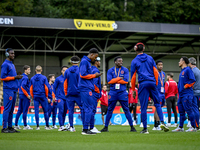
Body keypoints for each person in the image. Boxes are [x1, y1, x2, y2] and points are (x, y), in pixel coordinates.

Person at [131, 42, 169, 134]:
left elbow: (133, 77)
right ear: (143, 49)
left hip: (143, 84)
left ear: (135, 49)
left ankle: (145, 129)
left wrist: (133, 89)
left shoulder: (134, 61)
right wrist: (155, 84)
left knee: (143, 107)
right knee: (157, 104)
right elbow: (156, 72)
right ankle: (163, 122)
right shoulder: (150, 58)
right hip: (152, 82)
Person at [101, 56, 136, 132]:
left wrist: (115, 80)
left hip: (122, 93)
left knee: (126, 110)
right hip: (113, 93)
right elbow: (109, 81)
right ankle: (106, 127)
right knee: (110, 110)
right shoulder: (110, 70)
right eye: (119, 61)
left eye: (122, 61)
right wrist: (120, 78)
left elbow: (126, 81)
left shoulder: (125, 70)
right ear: (115, 62)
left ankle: (132, 127)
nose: (121, 62)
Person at [79, 48, 102, 135]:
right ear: (91, 54)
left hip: (86, 87)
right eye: (95, 57)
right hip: (85, 88)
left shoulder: (86, 62)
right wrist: (94, 75)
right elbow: (82, 74)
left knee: (87, 108)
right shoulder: (85, 62)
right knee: (89, 108)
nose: (95, 59)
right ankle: (85, 130)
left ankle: (86, 129)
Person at [1, 48, 23, 133]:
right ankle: (4, 128)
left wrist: (17, 76)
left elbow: (11, 77)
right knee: (7, 109)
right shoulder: (5, 64)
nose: (13, 55)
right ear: (7, 54)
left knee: (11, 109)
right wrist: (14, 77)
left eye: (13, 53)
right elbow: (2, 77)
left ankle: (10, 127)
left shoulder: (12, 64)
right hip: (8, 90)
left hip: (13, 89)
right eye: (11, 53)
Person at [172, 56, 196, 132]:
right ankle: (181, 127)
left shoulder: (188, 70)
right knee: (181, 112)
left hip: (187, 94)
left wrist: (185, 86)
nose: (179, 62)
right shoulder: (183, 70)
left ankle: (193, 127)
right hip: (181, 95)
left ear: (183, 62)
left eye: (180, 61)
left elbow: (193, 80)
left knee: (189, 110)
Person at [64, 56, 84, 132]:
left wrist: (66, 93)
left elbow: (65, 83)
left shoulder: (67, 71)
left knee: (70, 111)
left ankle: (71, 127)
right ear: (78, 62)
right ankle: (84, 126)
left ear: (71, 62)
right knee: (82, 109)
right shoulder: (80, 70)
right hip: (79, 93)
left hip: (70, 93)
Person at [30, 65, 51, 130]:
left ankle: (37, 126)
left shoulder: (32, 78)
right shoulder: (44, 78)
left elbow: (30, 89)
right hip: (43, 95)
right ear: (41, 70)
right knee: (45, 111)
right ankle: (47, 126)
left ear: (35, 70)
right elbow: (47, 87)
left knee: (36, 111)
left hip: (35, 95)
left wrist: (33, 96)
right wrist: (48, 96)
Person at [14, 65, 33, 130]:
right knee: (25, 111)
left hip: (21, 95)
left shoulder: (21, 76)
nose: (30, 70)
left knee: (19, 110)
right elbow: (22, 86)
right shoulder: (25, 78)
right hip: (25, 96)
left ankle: (16, 125)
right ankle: (25, 125)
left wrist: (20, 93)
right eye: (28, 69)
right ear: (25, 70)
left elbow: (19, 86)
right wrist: (27, 95)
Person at [53, 66, 68, 131]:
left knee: (65, 112)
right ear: (61, 71)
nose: (65, 72)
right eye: (64, 70)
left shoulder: (69, 79)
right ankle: (61, 125)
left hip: (67, 98)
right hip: (60, 97)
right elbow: (53, 87)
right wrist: (53, 96)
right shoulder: (58, 79)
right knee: (61, 111)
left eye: (66, 70)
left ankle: (63, 125)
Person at [152, 60, 165, 131]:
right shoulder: (154, 73)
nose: (161, 66)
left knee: (158, 109)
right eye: (159, 65)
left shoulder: (163, 73)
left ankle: (156, 125)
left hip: (162, 93)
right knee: (157, 108)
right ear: (156, 66)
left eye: (162, 65)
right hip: (157, 93)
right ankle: (157, 125)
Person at [90, 57, 102, 133]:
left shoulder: (90, 69)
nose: (100, 63)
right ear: (96, 62)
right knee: (92, 110)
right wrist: (98, 93)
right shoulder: (95, 70)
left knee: (89, 110)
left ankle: (88, 126)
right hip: (94, 93)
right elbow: (94, 84)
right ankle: (91, 127)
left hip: (90, 92)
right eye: (99, 61)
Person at [188, 57, 200, 130]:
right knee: (197, 109)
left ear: (190, 63)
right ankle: (196, 125)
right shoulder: (198, 70)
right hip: (198, 91)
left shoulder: (192, 71)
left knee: (194, 109)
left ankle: (195, 126)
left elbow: (191, 82)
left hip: (194, 92)